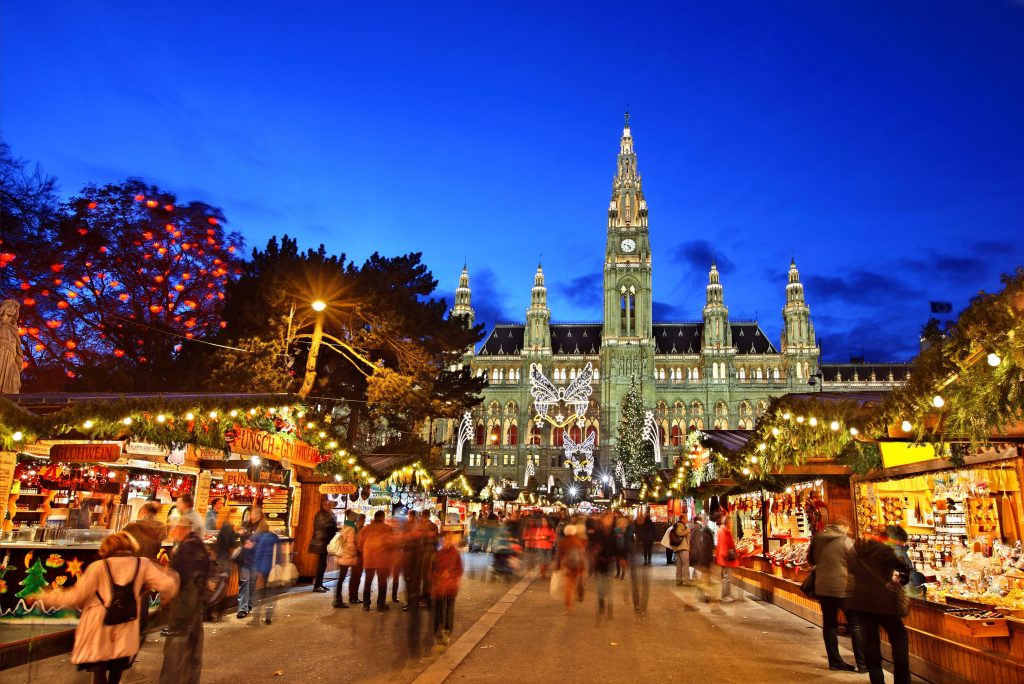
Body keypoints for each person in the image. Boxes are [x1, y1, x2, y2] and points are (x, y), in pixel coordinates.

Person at [30, 531, 179, 684]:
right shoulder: (142, 564)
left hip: (99, 627)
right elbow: (169, 584)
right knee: (117, 668)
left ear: (107, 547)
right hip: (126, 624)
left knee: (99, 670)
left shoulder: (98, 567)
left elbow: (75, 597)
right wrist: (154, 594)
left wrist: (44, 597)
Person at [846, 526, 913, 684]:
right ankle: (902, 680)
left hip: (860, 602)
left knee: (870, 642)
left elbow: (851, 569)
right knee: (899, 637)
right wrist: (897, 578)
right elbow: (903, 569)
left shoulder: (855, 550)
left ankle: (876, 680)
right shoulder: (884, 550)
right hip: (883, 601)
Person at [159, 522, 211, 684]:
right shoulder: (200, 545)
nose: (174, 531)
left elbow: (177, 577)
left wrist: (166, 594)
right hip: (197, 602)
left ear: (183, 529)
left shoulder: (185, 548)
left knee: (175, 647)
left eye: (176, 528)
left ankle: (169, 681)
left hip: (183, 604)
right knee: (194, 646)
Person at [431, 531, 464, 649]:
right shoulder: (438, 554)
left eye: (449, 539)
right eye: (445, 540)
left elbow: (459, 570)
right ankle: (437, 631)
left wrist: (451, 576)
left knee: (449, 610)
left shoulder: (455, 554)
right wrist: (436, 578)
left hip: (450, 587)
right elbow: (432, 570)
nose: (446, 542)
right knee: (438, 610)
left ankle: (447, 631)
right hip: (440, 588)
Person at [358, 510, 395, 611]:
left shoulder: (366, 529)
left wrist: (366, 553)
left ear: (374, 517)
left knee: (368, 582)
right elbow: (391, 544)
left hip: (369, 559)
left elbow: (360, 545)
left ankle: (366, 605)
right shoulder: (387, 528)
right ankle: (380, 605)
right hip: (382, 560)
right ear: (383, 517)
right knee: (382, 582)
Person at [236, 507, 265, 619]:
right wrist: (240, 534)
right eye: (252, 512)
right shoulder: (245, 524)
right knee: (244, 582)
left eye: (255, 513)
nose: (253, 514)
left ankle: (249, 604)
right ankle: (242, 609)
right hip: (244, 557)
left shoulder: (263, 527)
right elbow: (241, 538)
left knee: (252, 583)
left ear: (260, 515)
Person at [249, 519, 279, 625]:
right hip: (273, 570)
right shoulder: (274, 538)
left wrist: (259, 571)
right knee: (271, 594)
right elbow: (278, 554)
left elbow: (259, 554)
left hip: (263, 570)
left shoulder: (259, 538)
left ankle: (256, 618)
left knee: (259, 594)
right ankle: (268, 617)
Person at [309, 497, 338, 593]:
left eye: (331, 505)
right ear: (324, 505)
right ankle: (317, 586)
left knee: (323, 564)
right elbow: (324, 526)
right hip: (321, 542)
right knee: (321, 564)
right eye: (328, 504)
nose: (330, 506)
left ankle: (320, 584)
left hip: (324, 542)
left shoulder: (327, 513)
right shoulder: (321, 514)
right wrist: (337, 527)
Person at [555, 524, 587, 613]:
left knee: (569, 587)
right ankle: (579, 594)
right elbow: (581, 556)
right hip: (577, 567)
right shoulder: (578, 542)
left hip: (567, 567)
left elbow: (559, 556)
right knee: (578, 582)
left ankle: (568, 606)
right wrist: (583, 567)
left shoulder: (562, 542)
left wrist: (558, 566)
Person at [713, 513, 740, 605]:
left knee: (726, 577)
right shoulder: (724, 532)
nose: (731, 524)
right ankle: (725, 596)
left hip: (723, 557)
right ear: (728, 523)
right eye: (731, 523)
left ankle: (728, 594)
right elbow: (724, 545)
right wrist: (727, 556)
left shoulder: (722, 530)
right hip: (725, 558)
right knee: (726, 578)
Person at [332, 512, 358, 608]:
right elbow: (350, 544)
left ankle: (337, 599)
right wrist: (354, 553)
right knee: (341, 578)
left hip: (341, 555)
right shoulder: (351, 529)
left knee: (340, 578)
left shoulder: (345, 527)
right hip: (346, 556)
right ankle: (338, 600)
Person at [348, 513, 367, 605]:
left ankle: (353, 596)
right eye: (362, 519)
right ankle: (353, 596)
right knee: (355, 576)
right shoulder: (357, 529)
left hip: (357, 554)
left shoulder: (358, 528)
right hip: (357, 554)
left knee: (355, 576)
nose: (362, 521)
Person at [667, 515, 691, 586]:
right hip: (683, 547)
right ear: (682, 519)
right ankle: (686, 581)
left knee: (679, 565)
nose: (687, 520)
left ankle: (678, 580)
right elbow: (679, 532)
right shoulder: (681, 525)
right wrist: (687, 531)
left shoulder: (676, 525)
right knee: (685, 564)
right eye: (686, 518)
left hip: (677, 548)